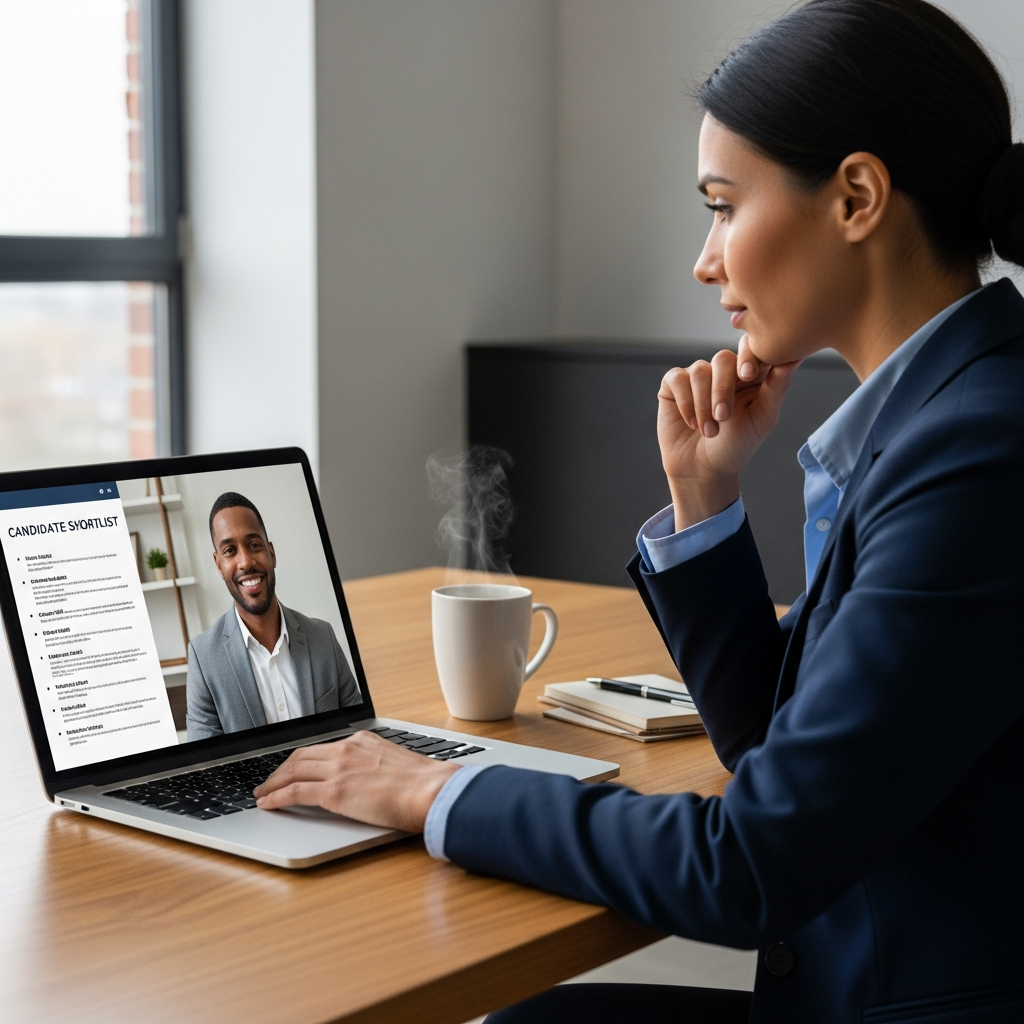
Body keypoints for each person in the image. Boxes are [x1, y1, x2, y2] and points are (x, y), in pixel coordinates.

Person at [253, 0, 1024, 1020]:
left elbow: (751, 863)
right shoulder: (944, 415)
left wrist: (432, 790)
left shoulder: (976, 453)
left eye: (723, 206)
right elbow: (783, 757)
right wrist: (704, 499)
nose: (706, 259)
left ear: (856, 197)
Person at [185, 492, 361, 741]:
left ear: (272, 553)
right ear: (219, 565)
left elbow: (360, 732)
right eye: (230, 551)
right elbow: (205, 760)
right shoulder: (203, 658)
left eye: (254, 545)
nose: (246, 562)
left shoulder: (324, 637)